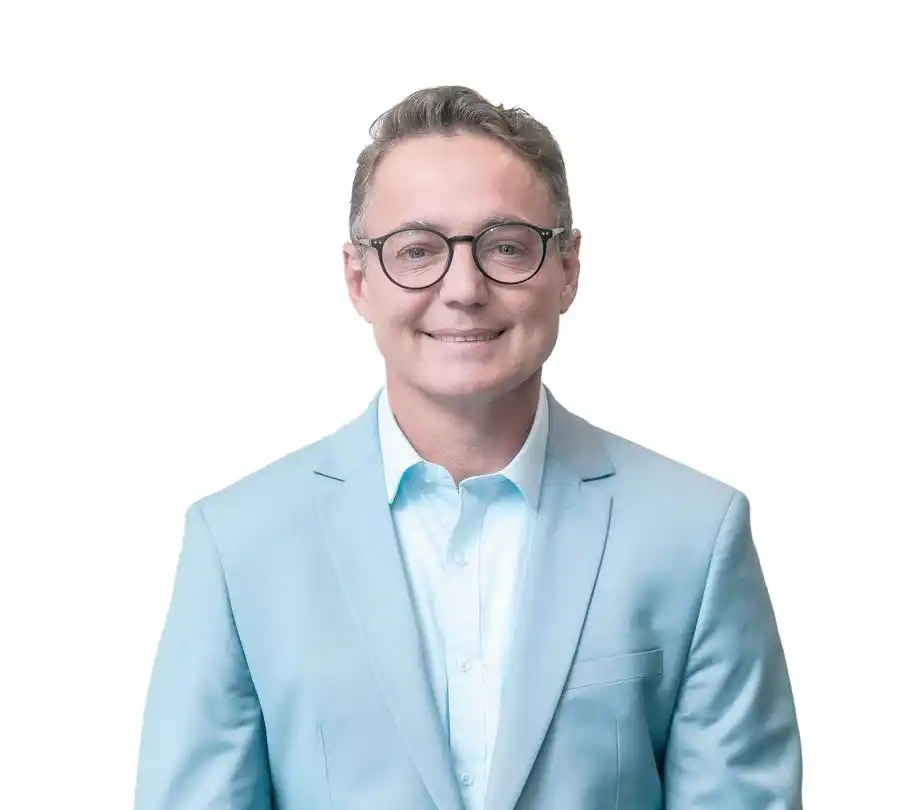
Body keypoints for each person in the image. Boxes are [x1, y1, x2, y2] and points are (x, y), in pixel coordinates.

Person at [133, 85, 802, 810]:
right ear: (358, 279)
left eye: (506, 247)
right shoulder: (239, 543)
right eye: (417, 251)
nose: (463, 288)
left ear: (568, 269)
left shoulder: (695, 535)